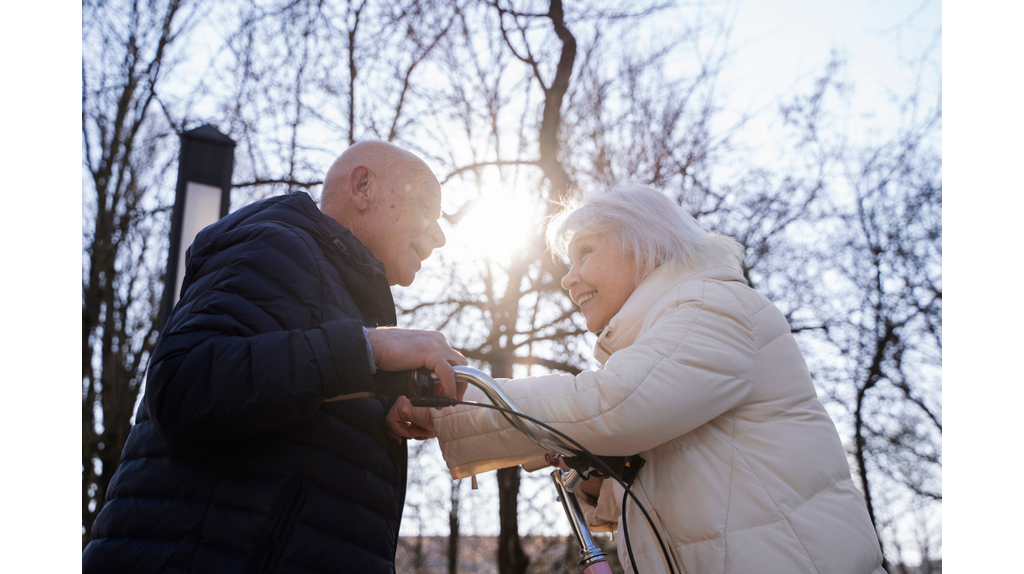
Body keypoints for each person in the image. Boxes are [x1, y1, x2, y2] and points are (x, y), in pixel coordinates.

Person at [430, 184, 885, 573]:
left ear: (644, 244)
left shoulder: (709, 304)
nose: (568, 279)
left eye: (586, 252)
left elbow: (616, 404)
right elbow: (685, 488)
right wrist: (599, 487)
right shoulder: (673, 330)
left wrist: (454, 402)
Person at [83, 141, 467, 573]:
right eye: (425, 206)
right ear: (362, 188)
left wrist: (388, 394)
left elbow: (293, 394)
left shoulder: (337, 295)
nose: (439, 235)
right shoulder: (276, 245)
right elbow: (182, 384)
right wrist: (369, 349)